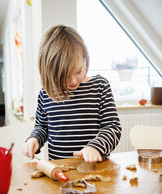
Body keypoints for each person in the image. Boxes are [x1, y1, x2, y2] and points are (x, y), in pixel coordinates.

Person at [22, 25, 122, 163]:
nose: (73, 80)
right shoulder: (45, 94)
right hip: (60, 170)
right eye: (65, 77)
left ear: (84, 59)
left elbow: (112, 127)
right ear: (50, 72)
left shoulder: (100, 86)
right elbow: (42, 127)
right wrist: (34, 139)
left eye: (79, 71)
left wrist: (96, 147)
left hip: (95, 169)